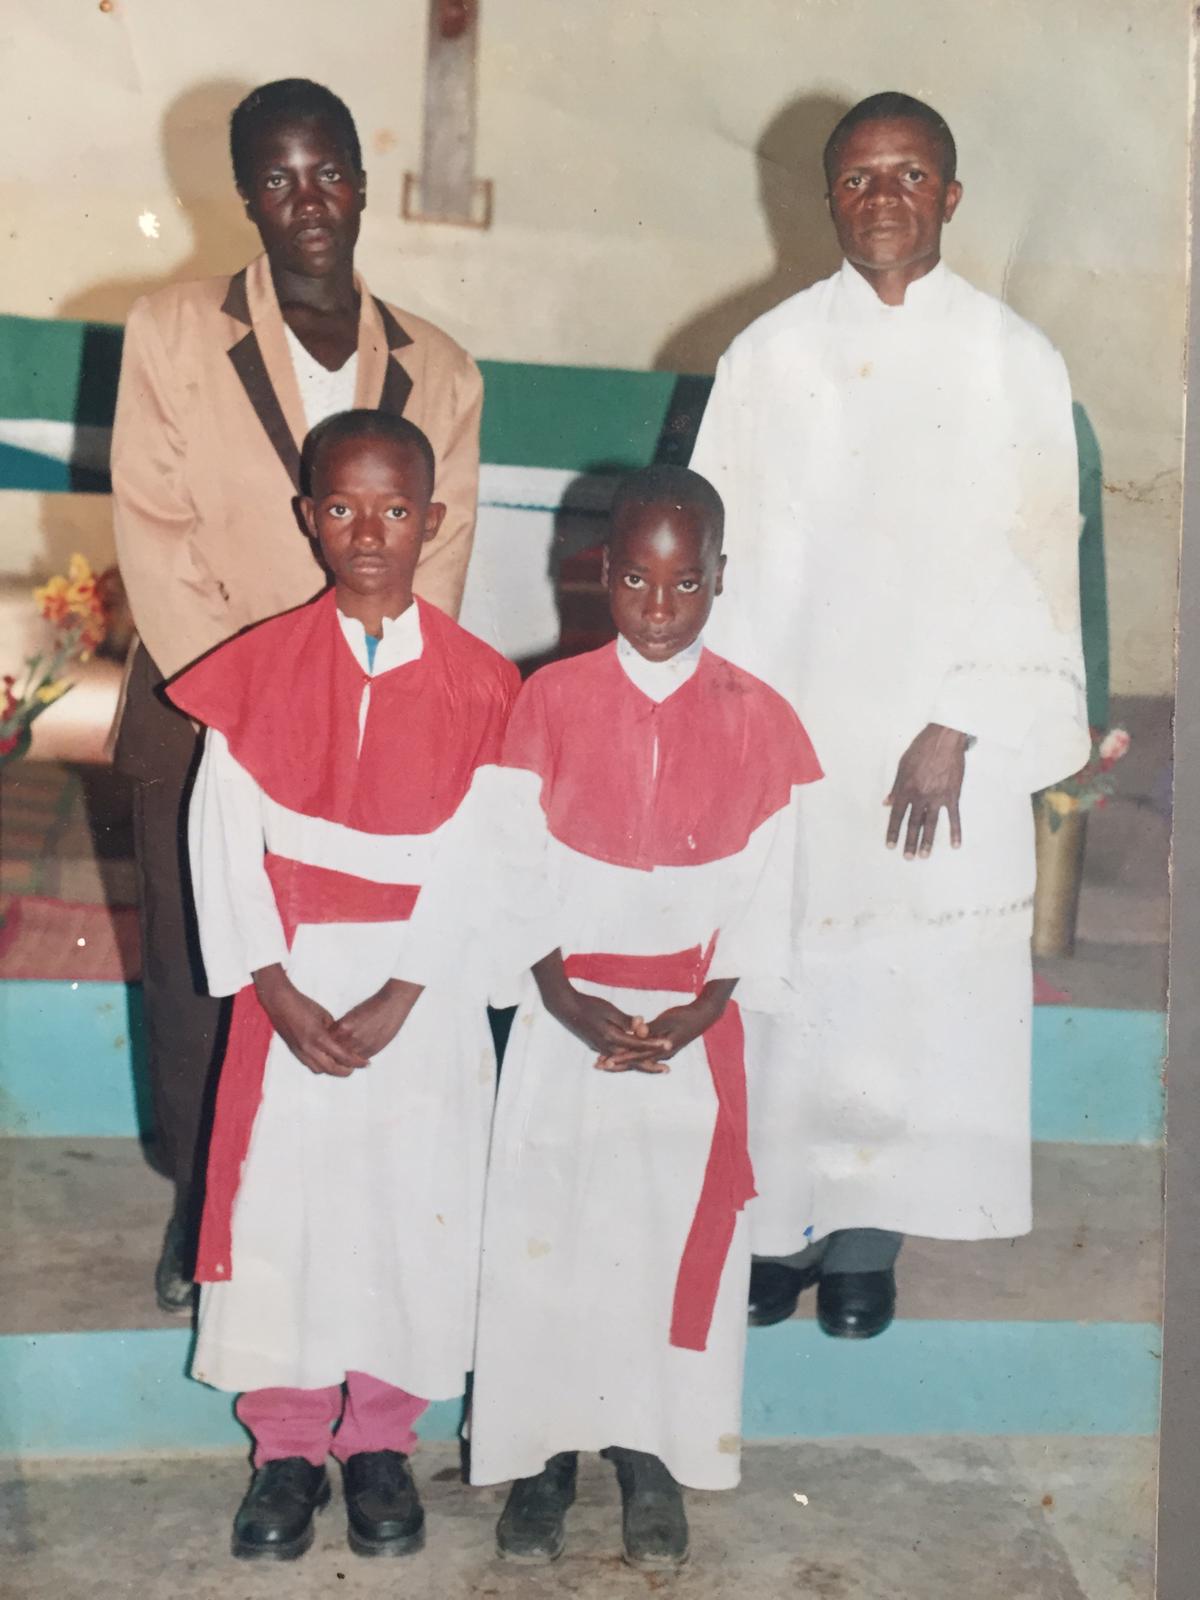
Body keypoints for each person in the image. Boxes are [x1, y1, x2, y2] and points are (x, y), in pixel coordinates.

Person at [689, 92, 1090, 1338]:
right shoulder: (767, 355)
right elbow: (716, 546)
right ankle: (780, 1225)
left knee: (903, 986)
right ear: (829, 198)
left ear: (951, 198)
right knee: (793, 975)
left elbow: (1039, 553)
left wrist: (960, 720)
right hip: (796, 726)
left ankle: (867, 1239)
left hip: (937, 743)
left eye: (909, 176)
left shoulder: (1012, 359)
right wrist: (736, 725)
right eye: (859, 179)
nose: (883, 199)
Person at [109, 78, 483, 1312]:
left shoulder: (439, 364)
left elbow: (444, 551)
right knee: (201, 956)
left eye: (327, 172)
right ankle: (195, 1200)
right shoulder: (173, 330)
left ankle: (329, 1201)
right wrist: (255, 703)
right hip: (208, 700)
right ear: (246, 198)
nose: (307, 201)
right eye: (278, 179)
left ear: (362, 183)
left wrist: (368, 698)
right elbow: (157, 530)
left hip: (372, 713)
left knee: (338, 951)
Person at [438, 466, 821, 1569]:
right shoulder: (547, 702)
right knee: (549, 1239)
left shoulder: (759, 718)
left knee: (656, 1243)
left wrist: (703, 1007)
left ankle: (652, 1455)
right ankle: (544, 1456)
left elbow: (769, 882)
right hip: (572, 1023)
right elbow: (509, 869)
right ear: (601, 573)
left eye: (686, 582)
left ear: (719, 581)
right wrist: (558, 992)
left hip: (687, 1036)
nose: (660, 606)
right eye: (639, 580)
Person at [164, 412, 518, 1561]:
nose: (370, 533)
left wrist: (407, 989)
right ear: (308, 516)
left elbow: (483, 855)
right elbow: (224, 837)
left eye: (397, 510)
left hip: (422, 991)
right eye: (344, 508)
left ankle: (380, 1438)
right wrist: (272, 983)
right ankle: (284, 1446)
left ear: (436, 519)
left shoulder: (481, 685)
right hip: (296, 984)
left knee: (408, 1211)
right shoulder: (259, 670)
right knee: (289, 1213)